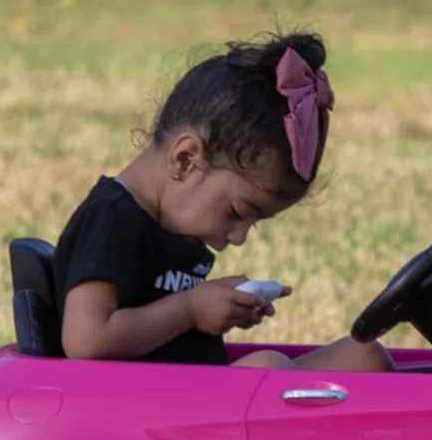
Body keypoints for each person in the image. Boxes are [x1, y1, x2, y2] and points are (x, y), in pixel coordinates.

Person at [52, 30, 394, 372]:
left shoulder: (173, 222)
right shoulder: (111, 219)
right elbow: (87, 340)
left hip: (198, 397)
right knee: (269, 368)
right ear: (186, 159)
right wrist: (189, 310)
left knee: (364, 355)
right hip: (146, 411)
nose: (238, 237)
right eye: (237, 212)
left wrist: (216, 308)